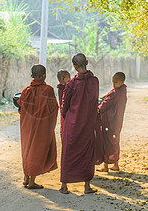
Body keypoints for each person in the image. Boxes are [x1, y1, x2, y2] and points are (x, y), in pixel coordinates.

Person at [59, 53, 99, 194]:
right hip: (88, 123)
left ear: (74, 67)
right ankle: (86, 186)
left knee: (68, 152)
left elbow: (64, 105)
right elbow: (94, 101)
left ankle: (64, 186)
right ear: (87, 62)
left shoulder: (71, 84)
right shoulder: (94, 81)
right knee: (87, 153)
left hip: (73, 123)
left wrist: (68, 117)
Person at [16, 64, 59, 189]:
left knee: (27, 149)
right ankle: (31, 182)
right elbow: (54, 109)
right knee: (37, 151)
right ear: (44, 75)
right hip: (41, 127)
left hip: (27, 126)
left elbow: (21, 108)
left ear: (31, 76)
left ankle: (26, 176)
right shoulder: (48, 90)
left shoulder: (26, 91)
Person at [97, 72, 128, 172]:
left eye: (116, 82)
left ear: (122, 82)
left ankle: (105, 166)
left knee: (107, 142)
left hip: (110, 122)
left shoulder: (116, 93)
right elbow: (108, 97)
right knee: (115, 141)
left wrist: (98, 108)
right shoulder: (122, 90)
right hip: (117, 122)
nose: (114, 84)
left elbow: (106, 103)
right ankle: (116, 164)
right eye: (113, 82)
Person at [56, 70, 71, 137]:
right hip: (66, 113)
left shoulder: (62, 88)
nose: (70, 79)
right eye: (69, 77)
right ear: (63, 79)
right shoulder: (62, 89)